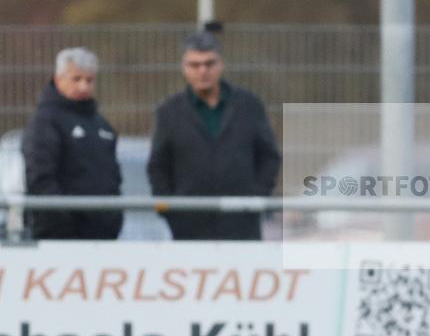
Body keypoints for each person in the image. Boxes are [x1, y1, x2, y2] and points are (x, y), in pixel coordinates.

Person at [147, 32, 281, 240]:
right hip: (189, 227)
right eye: (195, 65)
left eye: (209, 63)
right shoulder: (169, 112)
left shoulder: (248, 105)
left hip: (241, 224)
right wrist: (169, 209)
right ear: (184, 67)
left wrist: (256, 197)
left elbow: (269, 156)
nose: (203, 71)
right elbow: (158, 166)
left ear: (221, 64)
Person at [22, 47, 123, 239]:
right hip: (61, 237)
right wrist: (60, 223)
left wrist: (113, 217)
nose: (84, 86)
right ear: (59, 78)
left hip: (102, 234)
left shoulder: (101, 125)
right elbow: (40, 178)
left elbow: (113, 177)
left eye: (89, 80)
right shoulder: (45, 121)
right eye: (76, 79)